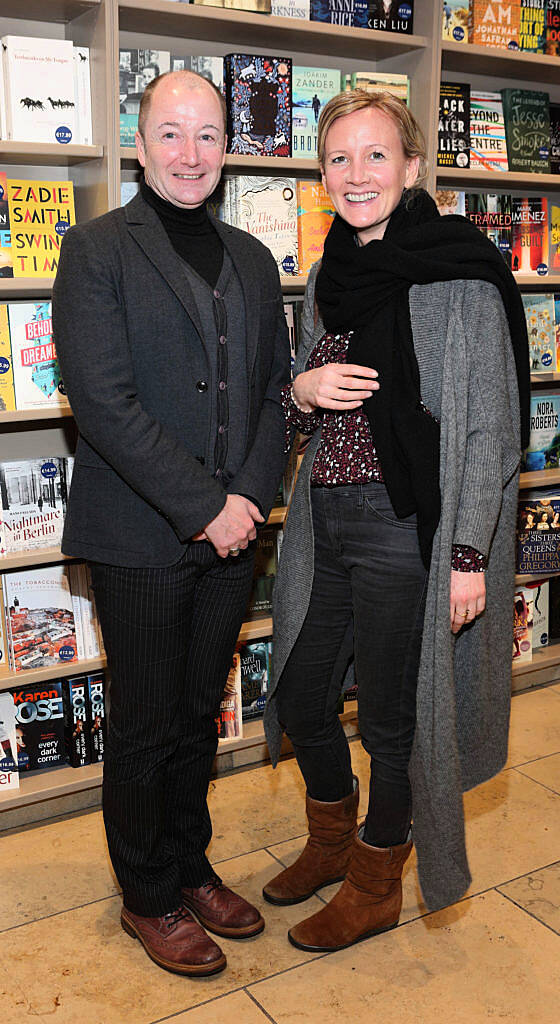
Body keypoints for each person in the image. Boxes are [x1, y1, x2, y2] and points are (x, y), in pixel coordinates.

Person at [263, 90, 530, 953]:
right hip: (322, 523)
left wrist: (467, 557)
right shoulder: (326, 275)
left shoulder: (460, 270)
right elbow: (296, 400)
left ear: (413, 166)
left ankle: (378, 876)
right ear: (323, 175)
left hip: (407, 528)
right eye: (339, 159)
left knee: (390, 718)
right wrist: (301, 392)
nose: (356, 174)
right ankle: (333, 840)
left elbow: (492, 425)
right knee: (301, 695)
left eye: (375, 155)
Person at [52, 70, 289, 977]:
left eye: (208, 135)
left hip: (233, 535)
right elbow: (103, 405)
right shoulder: (97, 249)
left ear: (227, 146)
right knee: (147, 720)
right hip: (143, 535)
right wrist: (207, 507)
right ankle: (146, 893)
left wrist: (250, 503)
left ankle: (191, 865)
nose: (190, 154)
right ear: (140, 142)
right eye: (171, 133)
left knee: (199, 713)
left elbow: (273, 391)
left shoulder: (255, 258)